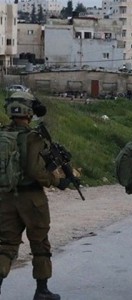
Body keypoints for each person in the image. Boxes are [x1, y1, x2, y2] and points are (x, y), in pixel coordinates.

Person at [0, 92, 71, 300]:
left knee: (6, 245)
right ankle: (42, 291)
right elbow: (35, 171)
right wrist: (57, 181)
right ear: (29, 112)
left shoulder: (2, 135)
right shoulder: (33, 138)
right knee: (40, 243)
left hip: (5, 197)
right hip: (32, 199)